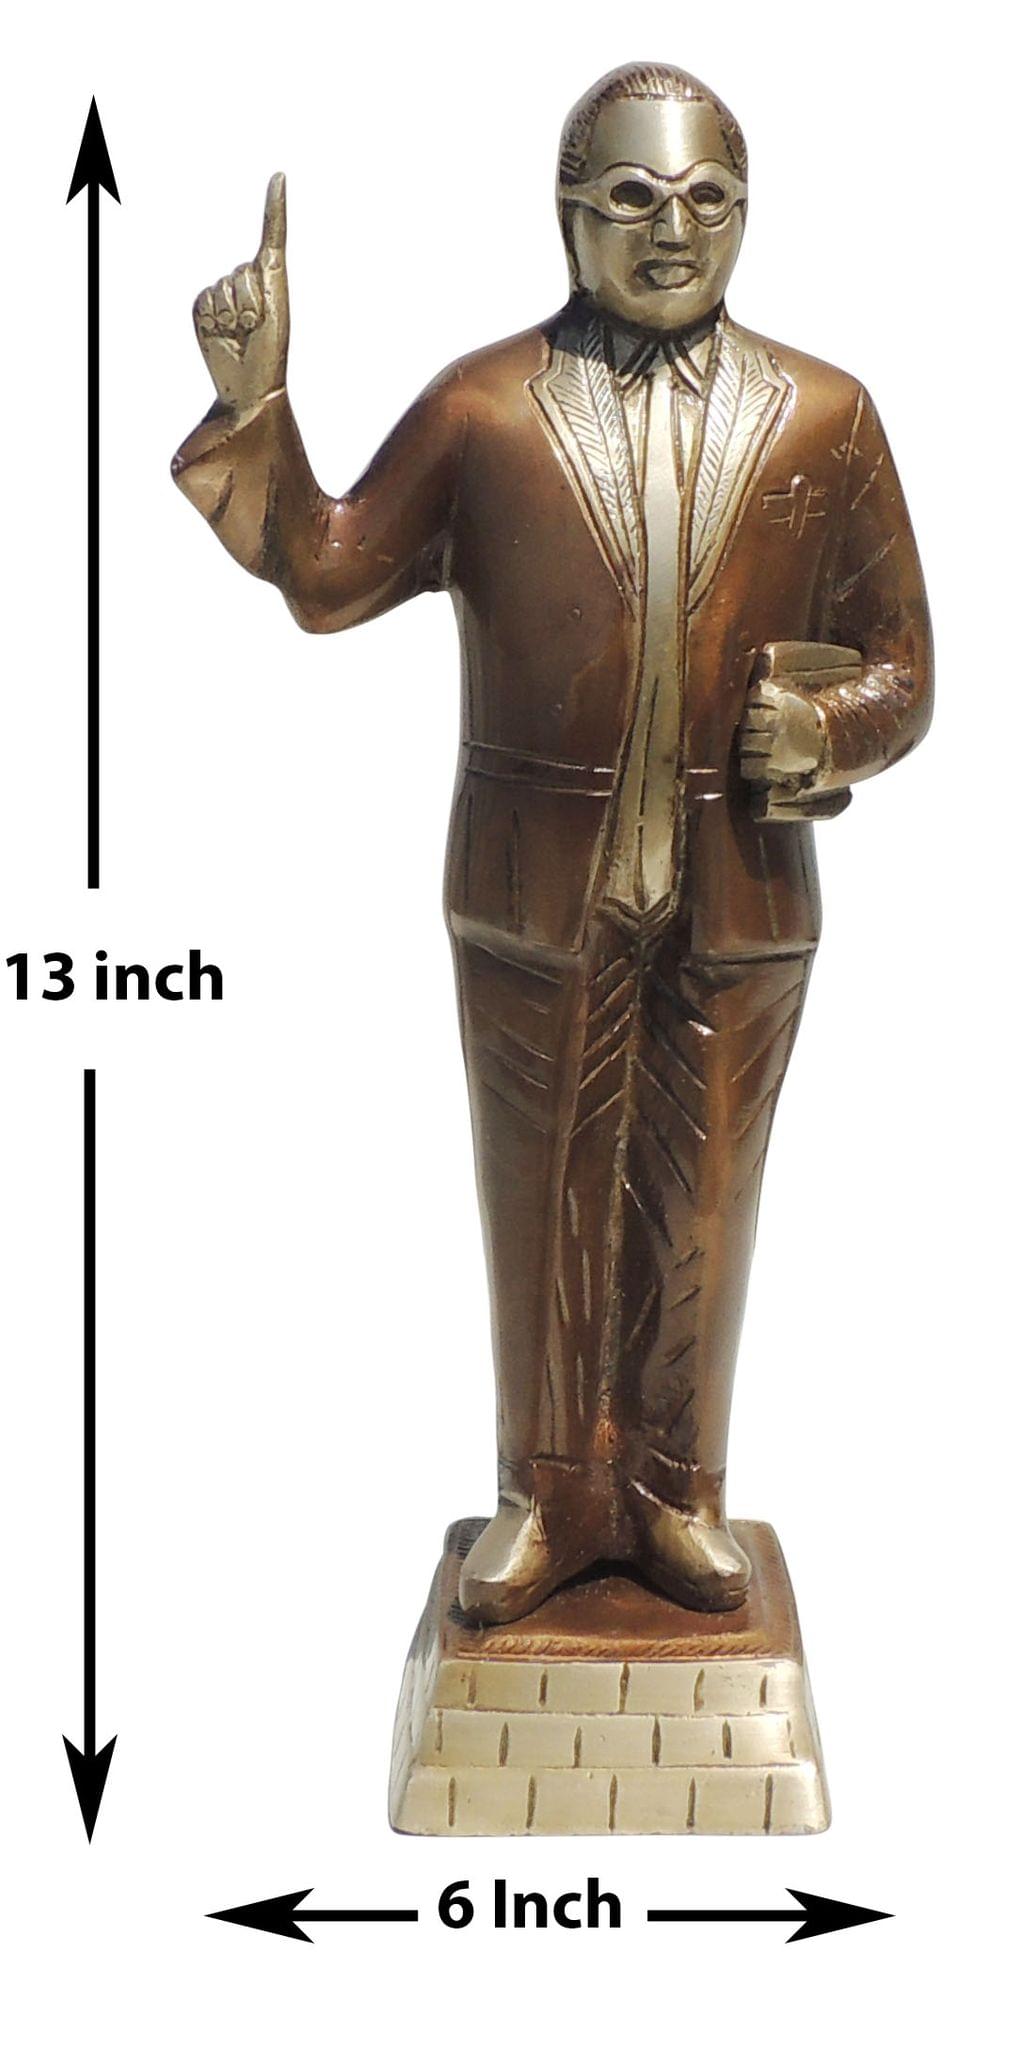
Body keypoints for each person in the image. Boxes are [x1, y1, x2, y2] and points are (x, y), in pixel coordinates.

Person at [173, 62, 932, 1625]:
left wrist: (830, 730)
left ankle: (676, 1493)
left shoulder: (828, 417)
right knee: (539, 1201)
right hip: (532, 896)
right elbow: (329, 573)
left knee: (703, 1202)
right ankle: (546, 1491)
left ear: (748, 212)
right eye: (634, 198)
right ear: (569, 215)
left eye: (708, 199)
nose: (675, 230)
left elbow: (903, 668)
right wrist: (256, 411)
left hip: (739, 899)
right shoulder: (485, 410)